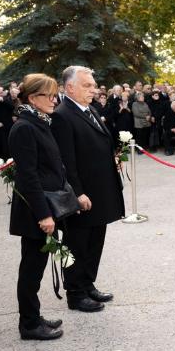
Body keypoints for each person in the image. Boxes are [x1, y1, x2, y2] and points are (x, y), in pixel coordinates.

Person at [51, 66, 124, 313]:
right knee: (77, 243)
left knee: (95, 241)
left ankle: (88, 283)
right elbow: (67, 161)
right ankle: (75, 293)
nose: (93, 89)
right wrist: (77, 193)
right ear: (69, 87)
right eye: (87, 85)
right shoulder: (62, 115)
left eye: (93, 85)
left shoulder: (88, 108)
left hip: (100, 191)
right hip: (83, 195)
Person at [8, 73, 65, 340]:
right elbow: (28, 176)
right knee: (31, 268)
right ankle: (29, 324)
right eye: (50, 95)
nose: (55, 100)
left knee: (36, 265)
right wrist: (43, 214)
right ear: (32, 98)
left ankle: (34, 316)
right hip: (35, 210)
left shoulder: (39, 122)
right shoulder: (25, 127)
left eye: (55, 95)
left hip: (45, 205)